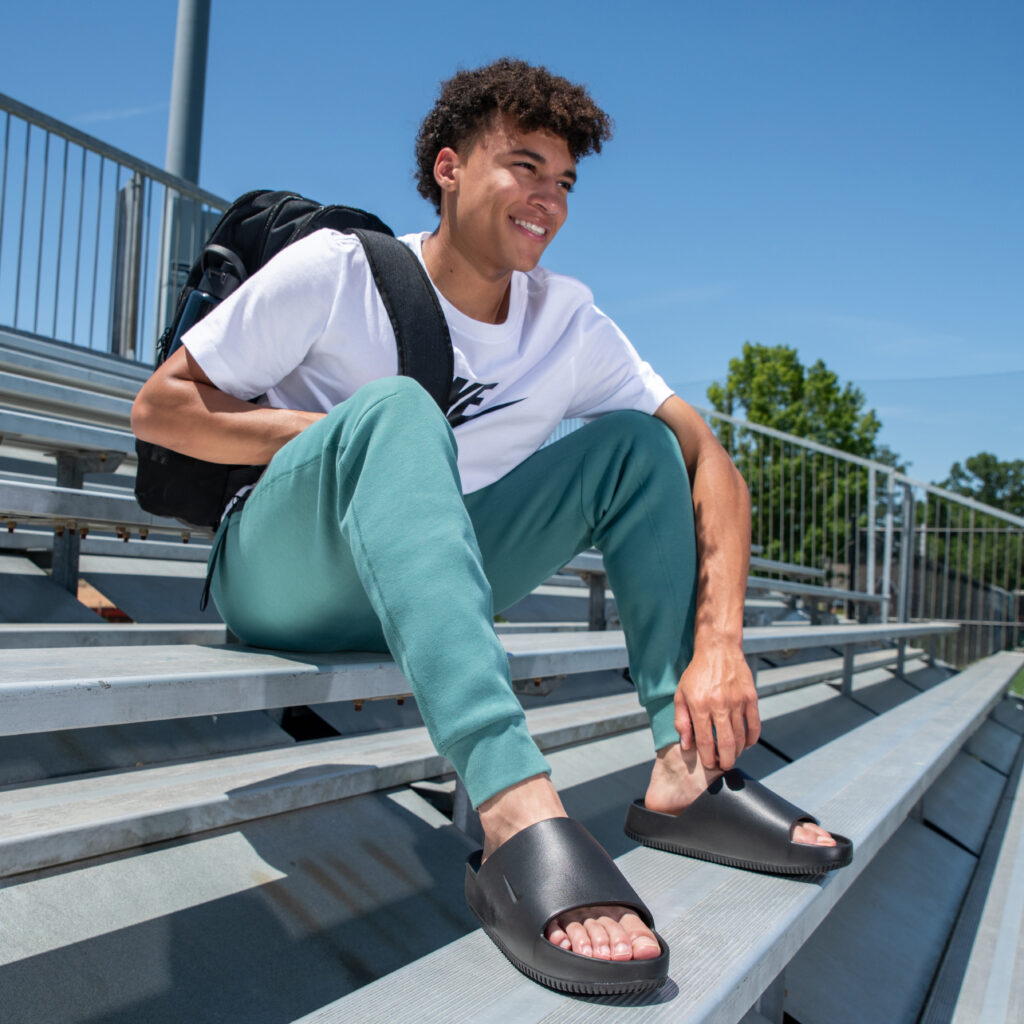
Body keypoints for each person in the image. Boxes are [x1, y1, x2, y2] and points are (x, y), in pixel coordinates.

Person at [132, 58, 849, 994]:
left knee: (637, 445)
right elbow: (160, 408)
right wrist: (345, 436)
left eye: (564, 182)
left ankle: (684, 774)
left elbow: (710, 461)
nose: (546, 199)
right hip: (284, 574)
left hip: (430, 574)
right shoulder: (337, 270)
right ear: (449, 167)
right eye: (523, 166)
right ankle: (512, 803)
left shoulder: (570, 320)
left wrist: (721, 643)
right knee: (394, 411)